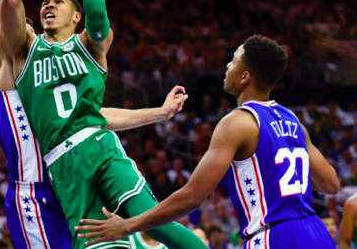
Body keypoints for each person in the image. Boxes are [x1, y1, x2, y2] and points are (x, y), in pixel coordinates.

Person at [0, 0, 205, 249]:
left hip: (99, 148)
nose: (48, 4)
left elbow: (97, 14)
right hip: (61, 166)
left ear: (75, 17)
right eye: (45, 1)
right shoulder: (25, 50)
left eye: (59, 0)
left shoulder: (90, 47)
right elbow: (10, 1)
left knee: (156, 225)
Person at [76, 35, 340, 248]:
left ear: (245, 76)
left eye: (234, 60)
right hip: (316, 232)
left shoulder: (237, 123)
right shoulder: (293, 119)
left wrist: (127, 225)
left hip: (273, 236)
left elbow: (192, 197)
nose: (228, 65)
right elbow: (330, 184)